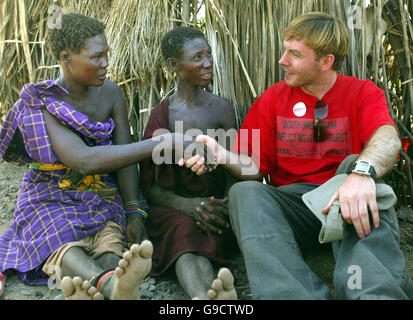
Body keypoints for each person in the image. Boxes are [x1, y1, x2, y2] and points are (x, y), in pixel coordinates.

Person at [181, 12, 413, 299]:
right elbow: (252, 166)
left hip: (347, 200)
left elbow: (387, 139)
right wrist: (221, 154)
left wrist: (361, 173)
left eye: (294, 54)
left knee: (356, 166)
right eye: (284, 50)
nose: (282, 60)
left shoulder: (362, 92)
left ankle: (374, 294)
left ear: (325, 61)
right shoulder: (273, 98)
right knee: (245, 192)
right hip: (297, 207)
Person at [0, 13, 192, 300]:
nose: (105, 64)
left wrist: (133, 211)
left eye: (106, 55)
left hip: (99, 192)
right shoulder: (42, 101)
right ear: (66, 57)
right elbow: (83, 160)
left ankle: (116, 280)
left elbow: (124, 159)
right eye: (96, 57)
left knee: (110, 238)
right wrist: (162, 142)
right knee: (62, 239)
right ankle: (107, 285)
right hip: (50, 195)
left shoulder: (112, 94)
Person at [140, 26, 238, 300]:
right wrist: (188, 206)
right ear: (174, 65)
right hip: (173, 208)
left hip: (215, 209)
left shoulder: (222, 109)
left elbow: (234, 171)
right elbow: (150, 187)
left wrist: (224, 207)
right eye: (197, 57)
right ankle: (205, 297)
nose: (208, 63)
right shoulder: (161, 117)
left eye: (208, 54)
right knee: (184, 230)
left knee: (205, 231)